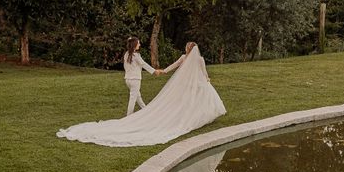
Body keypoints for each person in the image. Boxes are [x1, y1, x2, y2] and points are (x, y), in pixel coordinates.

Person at [57, 41, 226, 146]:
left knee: (139, 97)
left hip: (135, 79)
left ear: (188, 49)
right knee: (202, 99)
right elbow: (203, 72)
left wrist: (163, 71)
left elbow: (174, 66)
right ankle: (132, 117)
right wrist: (158, 72)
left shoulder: (184, 58)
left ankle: (142, 112)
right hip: (196, 85)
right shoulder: (199, 59)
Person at [124, 36, 158, 116]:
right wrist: (154, 71)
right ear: (134, 44)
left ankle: (146, 111)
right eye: (138, 43)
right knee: (133, 99)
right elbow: (143, 64)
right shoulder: (136, 55)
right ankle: (128, 117)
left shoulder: (126, 54)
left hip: (128, 80)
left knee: (138, 97)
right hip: (135, 80)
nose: (139, 44)